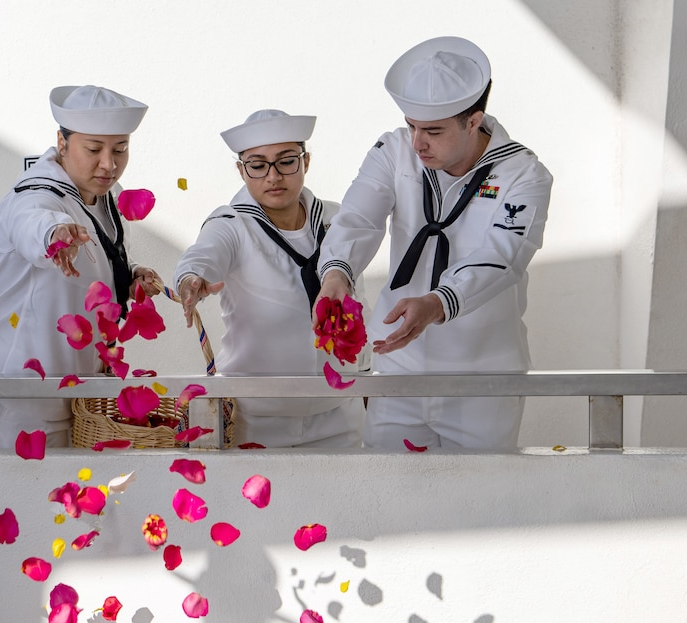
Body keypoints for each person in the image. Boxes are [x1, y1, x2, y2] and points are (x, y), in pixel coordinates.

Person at [315, 36, 553, 450]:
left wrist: (437, 303)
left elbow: (503, 256)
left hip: (483, 378)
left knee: (478, 502)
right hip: (398, 371)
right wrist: (336, 272)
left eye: (433, 130)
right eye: (411, 126)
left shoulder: (524, 174)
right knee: (389, 496)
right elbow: (358, 218)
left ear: (474, 120)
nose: (417, 142)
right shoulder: (393, 151)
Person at [0, 85, 161, 449]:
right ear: (62, 141)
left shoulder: (103, 200)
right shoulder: (34, 193)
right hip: (18, 391)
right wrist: (54, 233)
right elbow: (32, 222)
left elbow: (96, 263)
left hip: (67, 390)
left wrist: (130, 275)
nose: (109, 163)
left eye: (120, 149)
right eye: (94, 149)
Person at [175, 110, 364, 448]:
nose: (273, 176)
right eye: (258, 165)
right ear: (240, 170)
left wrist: (366, 384)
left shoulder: (336, 220)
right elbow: (202, 256)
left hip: (339, 416)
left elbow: (358, 300)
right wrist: (192, 279)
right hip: (258, 419)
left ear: (306, 160)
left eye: (286, 161)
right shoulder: (231, 225)